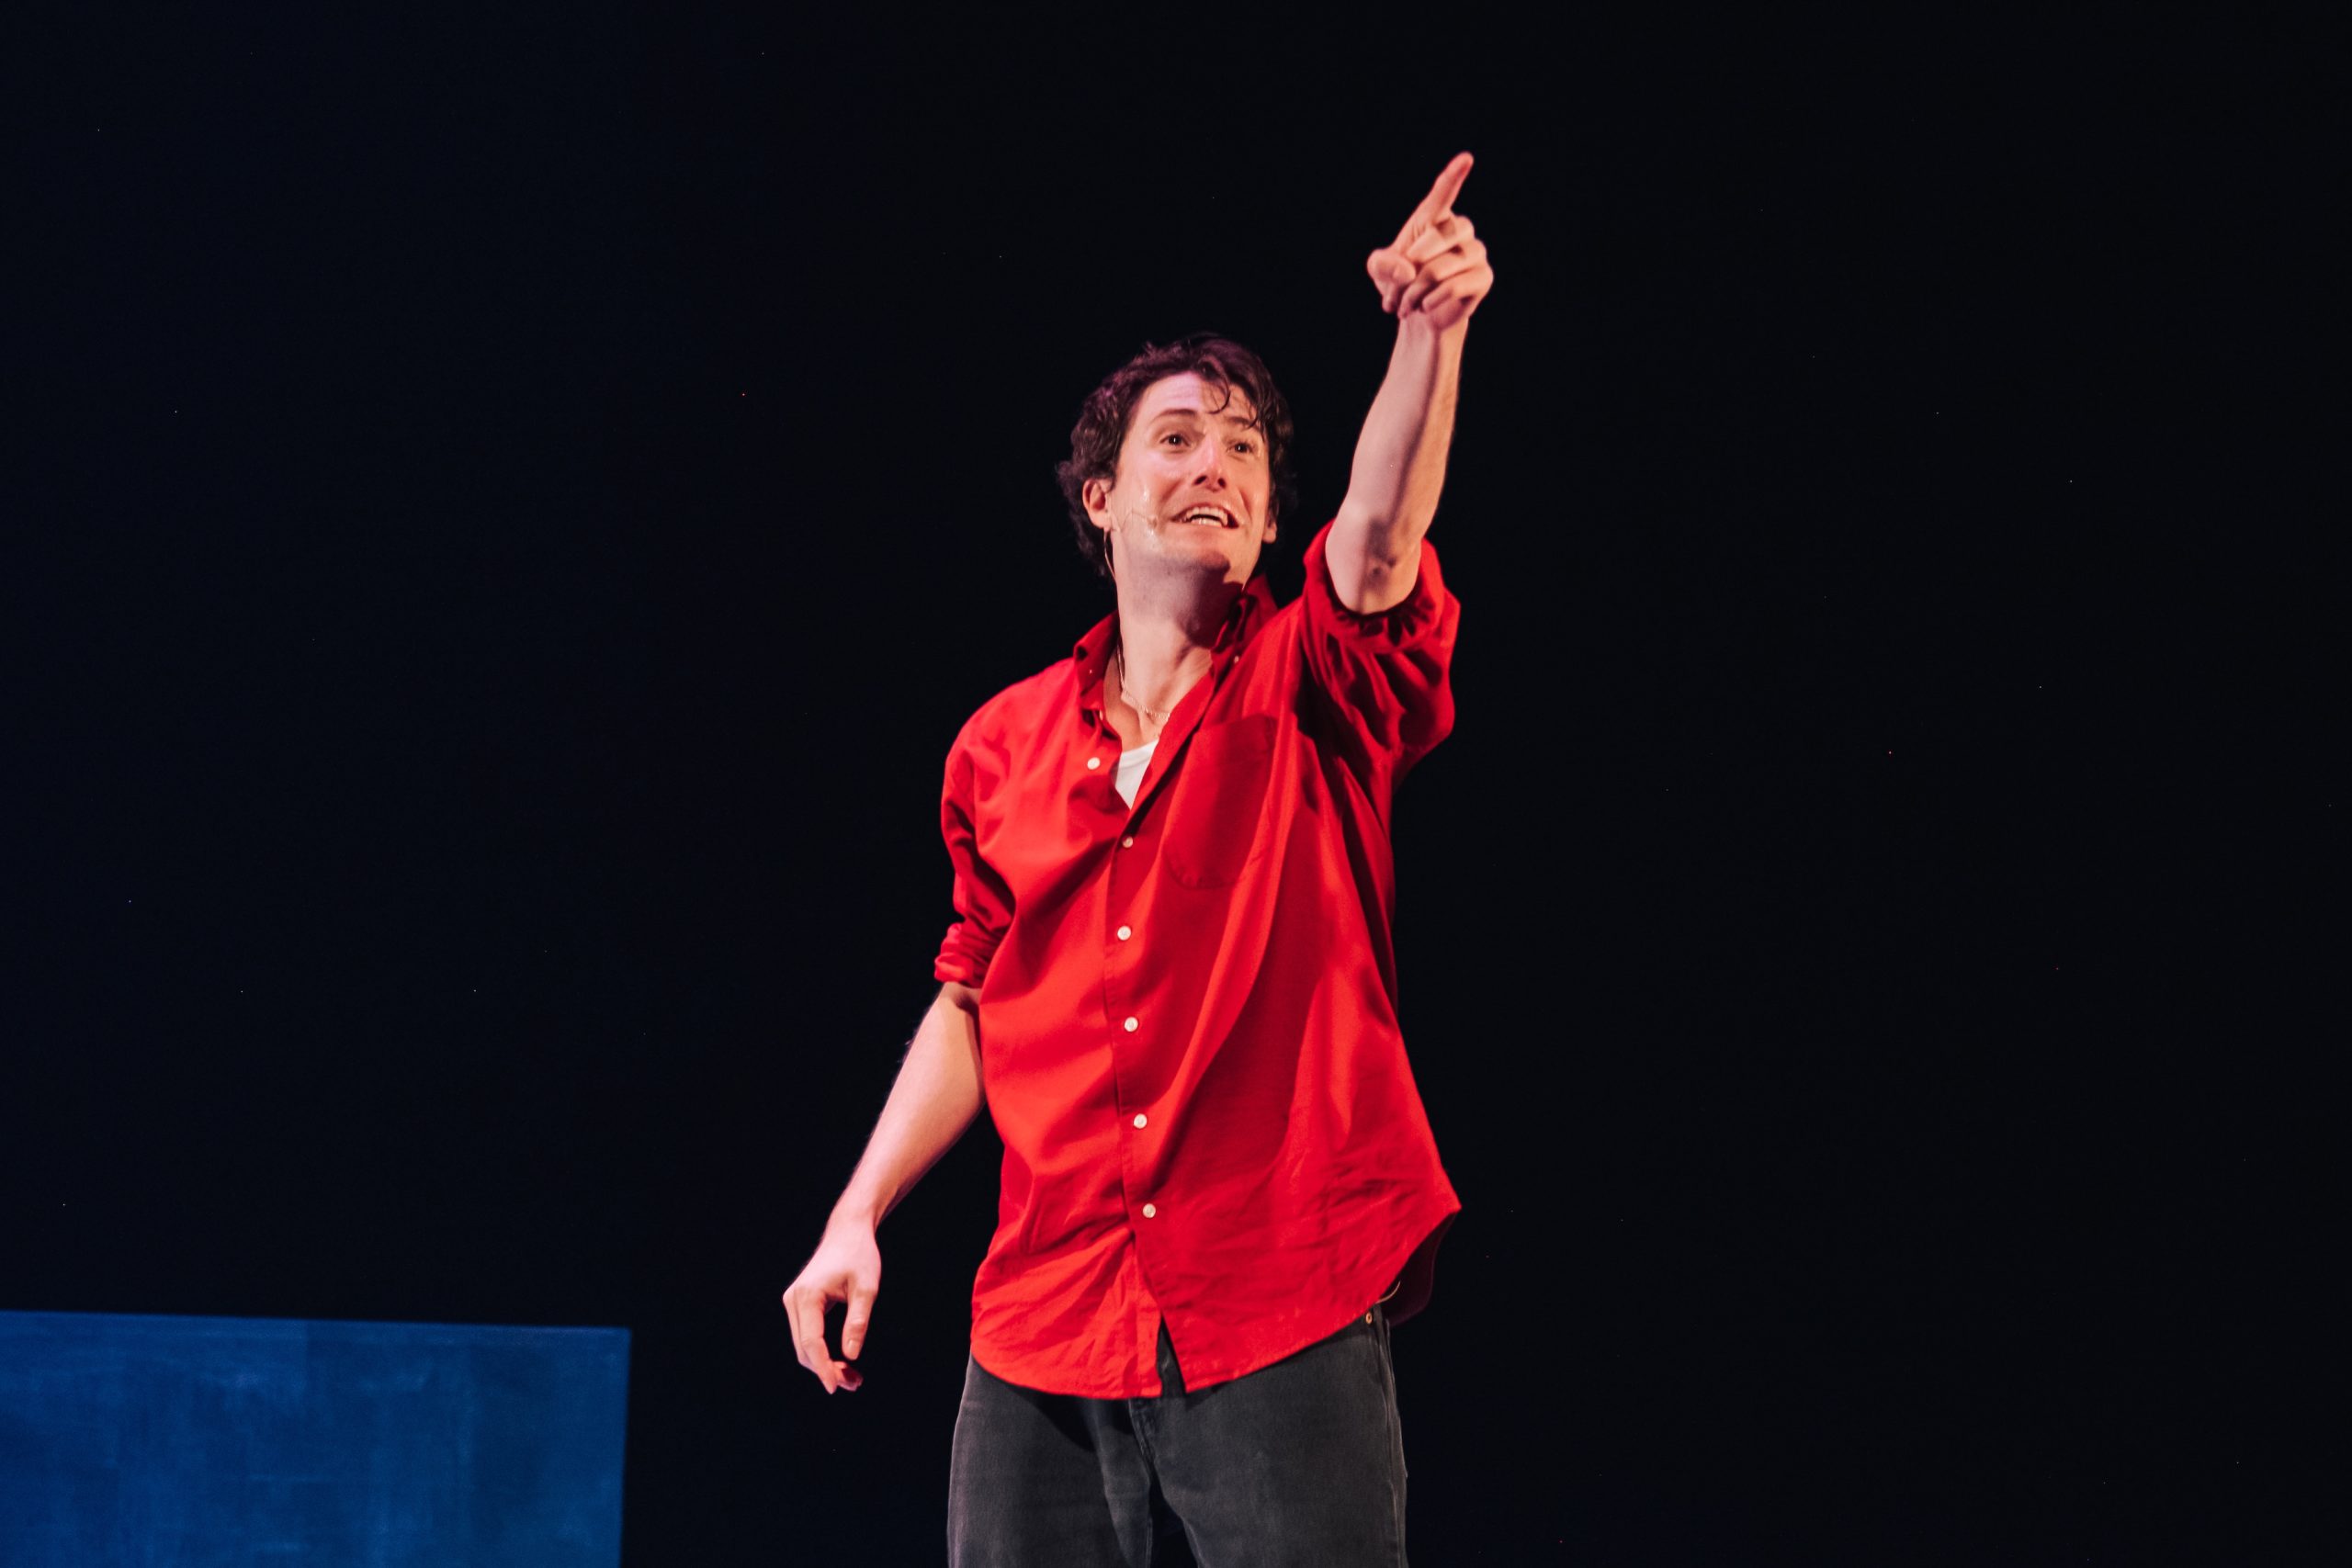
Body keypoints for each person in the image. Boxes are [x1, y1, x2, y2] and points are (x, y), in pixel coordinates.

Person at [783, 152, 1496, 1565]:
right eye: (1177, 440)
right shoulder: (1001, 746)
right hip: (1046, 1319)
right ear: (1101, 500)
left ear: (1273, 514)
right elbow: (972, 997)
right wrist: (856, 1214)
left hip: (1280, 1284)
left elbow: (1383, 536)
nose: (1215, 465)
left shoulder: (1309, 686)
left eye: (1242, 450)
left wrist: (1430, 334)